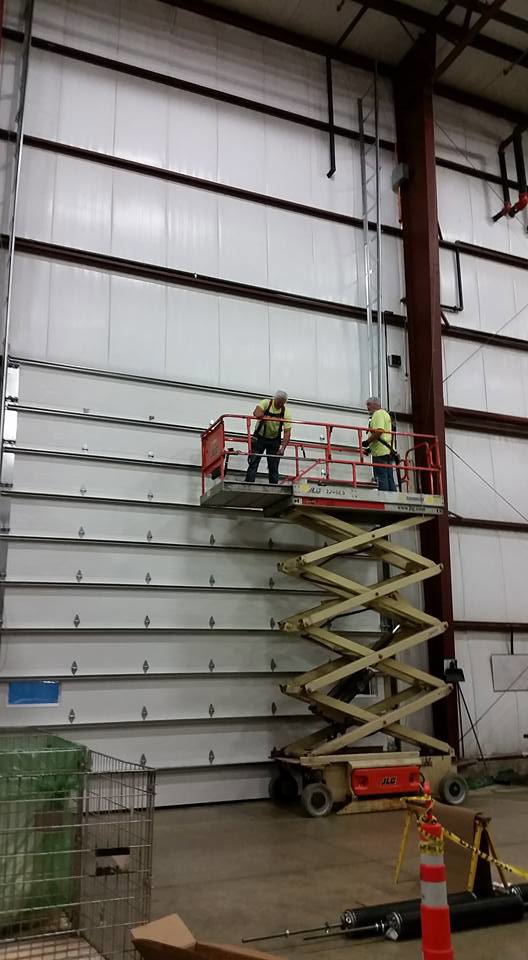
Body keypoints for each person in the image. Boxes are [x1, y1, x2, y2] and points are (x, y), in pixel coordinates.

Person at [245, 391, 292, 485]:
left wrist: (282, 448)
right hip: (259, 437)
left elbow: (287, 432)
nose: (280, 404)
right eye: (279, 402)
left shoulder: (285, 412)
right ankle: (249, 483)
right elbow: (256, 413)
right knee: (253, 461)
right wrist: (264, 416)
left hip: (274, 440)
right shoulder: (266, 403)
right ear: (275, 399)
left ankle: (274, 486)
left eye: (282, 403)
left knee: (273, 465)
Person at [363, 396, 396, 493]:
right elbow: (384, 435)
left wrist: (367, 442)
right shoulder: (385, 414)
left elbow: (379, 431)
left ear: (375, 404)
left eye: (369, 404)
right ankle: (392, 498)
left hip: (380, 453)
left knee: (382, 478)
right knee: (389, 478)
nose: (367, 407)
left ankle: (385, 498)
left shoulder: (377, 414)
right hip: (388, 451)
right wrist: (370, 449)